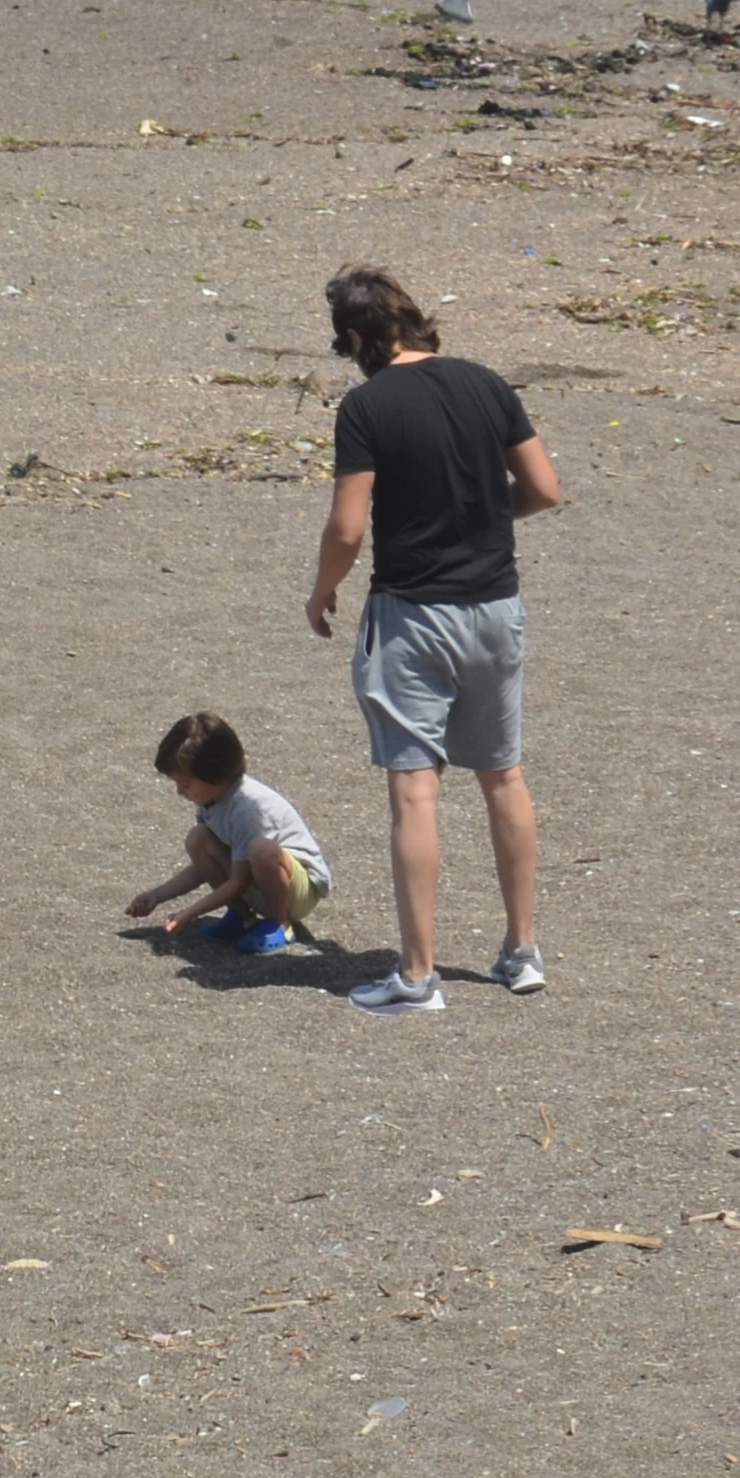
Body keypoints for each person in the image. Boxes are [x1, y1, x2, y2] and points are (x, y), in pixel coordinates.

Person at [305, 263, 566, 1014]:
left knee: (416, 791)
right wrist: (480, 519)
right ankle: (522, 951)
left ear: (357, 338)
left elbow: (348, 527)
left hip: (413, 613)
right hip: (496, 607)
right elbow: (544, 490)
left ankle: (417, 977)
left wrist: (324, 588)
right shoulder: (488, 383)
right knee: (504, 777)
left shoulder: (366, 407)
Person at [120, 711, 333, 959]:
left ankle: (280, 924)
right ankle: (243, 918)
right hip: (257, 881)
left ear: (217, 775)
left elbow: (238, 882)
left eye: (185, 784)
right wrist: (156, 895)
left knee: (261, 850)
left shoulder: (247, 809)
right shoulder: (212, 802)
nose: (180, 791)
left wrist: (190, 912)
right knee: (198, 838)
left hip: (297, 891)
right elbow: (202, 868)